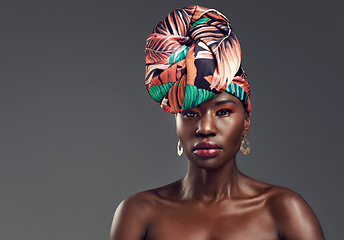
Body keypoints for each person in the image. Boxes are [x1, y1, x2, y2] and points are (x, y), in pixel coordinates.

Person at [109, 5, 324, 240]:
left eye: (223, 112)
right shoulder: (139, 213)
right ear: (177, 122)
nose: (206, 128)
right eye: (191, 114)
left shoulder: (283, 210)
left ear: (246, 122)